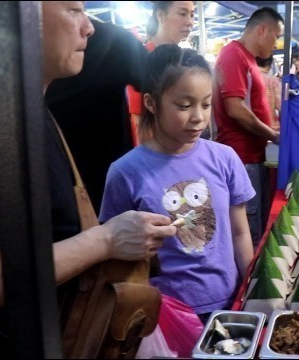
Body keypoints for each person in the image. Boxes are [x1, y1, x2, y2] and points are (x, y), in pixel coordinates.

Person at [0, 1, 177, 352]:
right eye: (73, 10)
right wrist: (105, 241)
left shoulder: (35, 113)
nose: (89, 28)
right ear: (16, 16)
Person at [100, 44, 255, 322]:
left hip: (228, 302)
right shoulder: (125, 172)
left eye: (206, 104)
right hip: (164, 313)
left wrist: (250, 291)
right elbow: (116, 252)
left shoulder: (224, 158)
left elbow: (240, 232)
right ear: (151, 103)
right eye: (184, 105)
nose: (198, 117)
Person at [45, 18, 149, 212]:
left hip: (103, 192)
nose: (88, 28)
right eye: (73, 9)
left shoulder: (115, 43)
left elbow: (162, 90)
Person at [212, 7, 283, 249]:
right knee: (249, 234)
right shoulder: (233, 55)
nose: (276, 43)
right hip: (241, 158)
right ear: (262, 30)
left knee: (258, 227)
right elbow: (235, 108)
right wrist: (273, 135)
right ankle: (247, 285)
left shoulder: (249, 59)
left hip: (254, 157)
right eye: (276, 36)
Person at [127, 1, 195, 145]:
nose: (190, 22)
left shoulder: (184, 61)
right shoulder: (143, 60)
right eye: (182, 13)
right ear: (160, 15)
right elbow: (140, 123)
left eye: (192, 15)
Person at [257, 55, 282, 131]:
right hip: (271, 127)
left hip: (252, 128)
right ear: (269, 63)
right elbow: (281, 106)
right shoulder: (273, 80)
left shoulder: (247, 77)